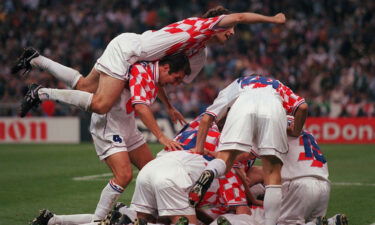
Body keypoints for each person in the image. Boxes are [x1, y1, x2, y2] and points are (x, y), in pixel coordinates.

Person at [12, 6, 286, 118]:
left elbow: (162, 75)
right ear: (218, 24)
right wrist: (272, 19)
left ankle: (36, 59)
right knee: (102, 104)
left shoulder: (197, 53)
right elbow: (238, 17)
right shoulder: (203, 27)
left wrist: (169, 106)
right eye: (229, 30)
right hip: (129, 51)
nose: (232, 33)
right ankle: (40, 93)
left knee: (84, 87)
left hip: (128, 46)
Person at [30, 53, 191, 225]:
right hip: (109, 125)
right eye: (177, 78)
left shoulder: (152, 71)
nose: (176, 83)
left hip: (127, 126)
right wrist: (161, 136)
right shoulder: (141, 70)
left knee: (151, 172)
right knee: (124, 175)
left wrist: (169, 107)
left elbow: (157, 84)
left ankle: (53, 220)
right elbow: (141, 107)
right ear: (166, 68)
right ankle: (97, 222)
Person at [188, 74, 308, 225]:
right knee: (272, 172)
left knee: (225, 158)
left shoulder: (237, 84)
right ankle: (270, 223)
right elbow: (302, 107)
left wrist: (199, 148)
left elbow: (207, 118)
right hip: (273, 107)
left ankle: (210, 172)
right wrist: (296, 130)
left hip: (241, 107)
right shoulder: (278, 85)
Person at [278, 117, 348, 225]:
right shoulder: (308, 134)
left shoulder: (279, 131)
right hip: (324, 184)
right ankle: (331, 222)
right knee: (310, 221)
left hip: (301, 183)